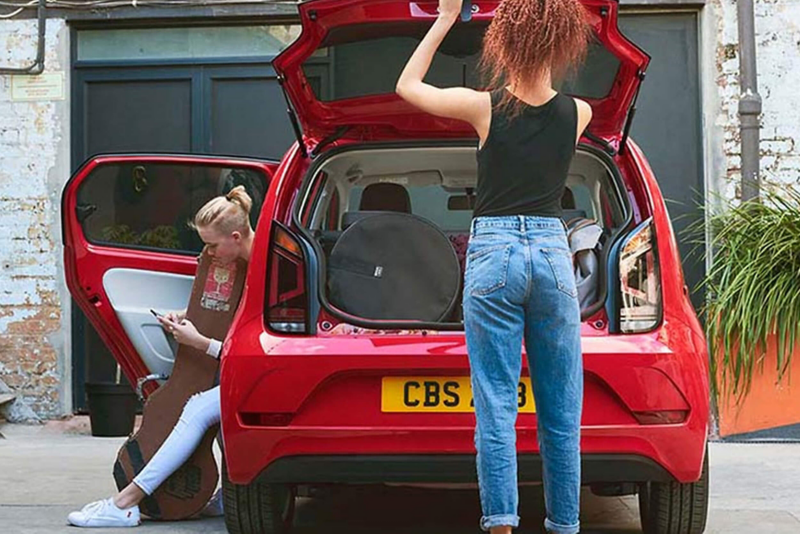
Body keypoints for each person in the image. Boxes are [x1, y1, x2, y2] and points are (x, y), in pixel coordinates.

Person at [396, 1, 592, 533]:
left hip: (494, 254)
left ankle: (502, 526)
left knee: (497, 408)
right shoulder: (580, 113)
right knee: (560, 412)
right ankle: (565, 526)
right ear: (560, 44)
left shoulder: (485, 107)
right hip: (553, 253)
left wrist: (444, 18)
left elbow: (407, 87)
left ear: (505, 45)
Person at [67, 186, 255, 528]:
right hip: (237, 372)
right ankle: (227, 498)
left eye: (212, 244)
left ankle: (126, 502)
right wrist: (186, 314)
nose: (207, 252)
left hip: (257, 375)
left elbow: (255, 353)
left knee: (198, 409)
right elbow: (228, 314)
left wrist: (200, 342)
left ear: (237, 236)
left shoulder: (264, 273)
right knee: (212, 416)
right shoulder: (235, 264)